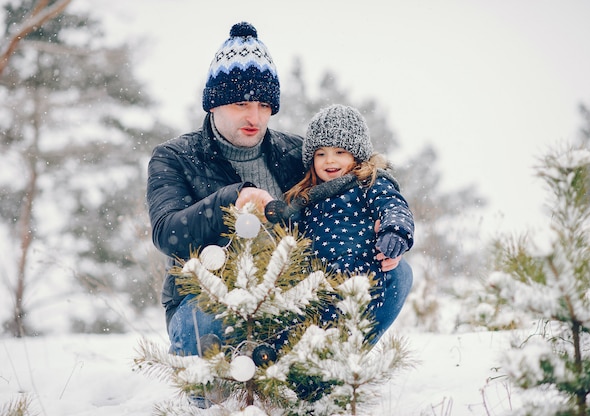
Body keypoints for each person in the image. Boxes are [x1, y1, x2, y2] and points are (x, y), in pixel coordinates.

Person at [146, 22, 410, 359]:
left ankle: (328, 375)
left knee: (397, 274)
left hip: (294, 299)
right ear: (214, 103)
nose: (255, 116)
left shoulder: (296, 153)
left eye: (264, 104)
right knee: (206, 334)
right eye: (241, 103)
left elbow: (359, 179)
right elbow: (167, 233)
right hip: (210, 300)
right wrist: (232, 199)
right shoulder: (175, 158)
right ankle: (213, 390)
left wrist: (384, 226)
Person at [273, 104, 414, 344]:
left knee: (338, 333)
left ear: (357, 155)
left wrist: (394, 232)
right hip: (316, 280)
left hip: (359, 274)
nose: (330, 160)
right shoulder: (308, 196)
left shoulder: (369, 183)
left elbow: (393, 206)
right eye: (321, 153)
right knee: (299, 331)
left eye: (340, 152)